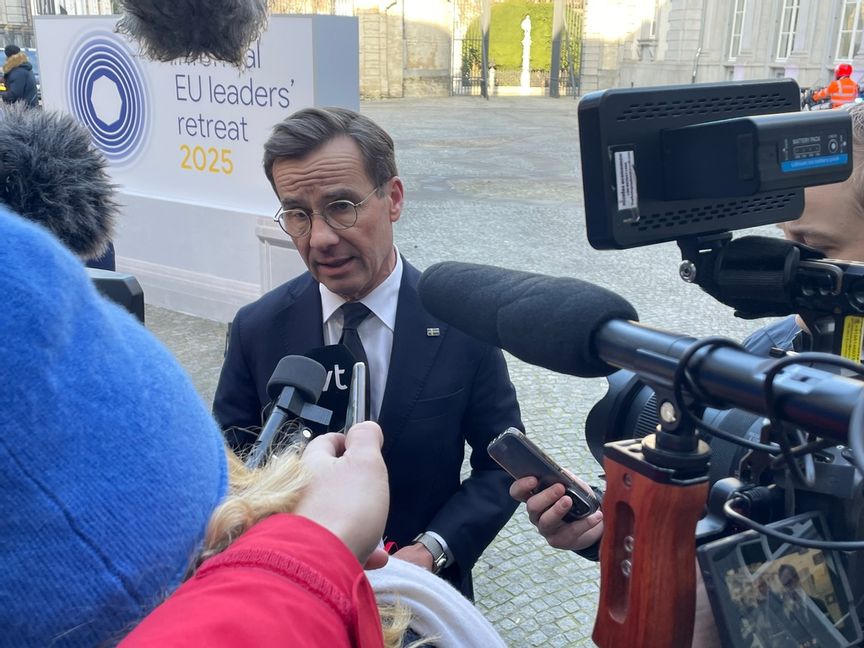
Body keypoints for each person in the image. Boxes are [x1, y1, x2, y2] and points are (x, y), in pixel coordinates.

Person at [213, 106, 524, 598]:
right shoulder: (256, 329)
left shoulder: (463, 323)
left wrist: (431, 553)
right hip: (292, 598)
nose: (320, 238)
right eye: (298, 214)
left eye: (341, 206)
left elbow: (501, 464)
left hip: (420, 596)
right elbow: (232, 469)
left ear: (393, 198)